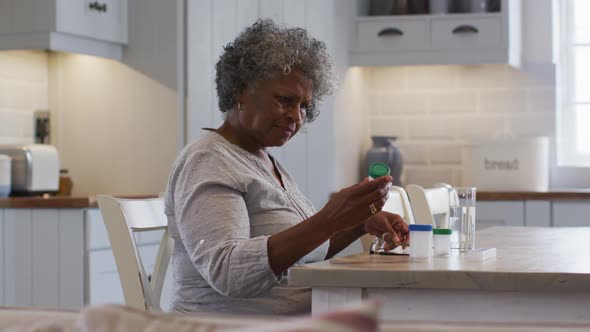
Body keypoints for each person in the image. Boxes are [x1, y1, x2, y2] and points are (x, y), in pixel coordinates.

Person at [164, 19, 409, 315]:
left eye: (304, 105)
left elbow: (300, 253)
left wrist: (356, 223)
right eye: (284, 100)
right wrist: (331, 218)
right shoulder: (208, 160)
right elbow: (228, 272)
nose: (297, 116)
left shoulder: (261, 160)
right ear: (241, 91)